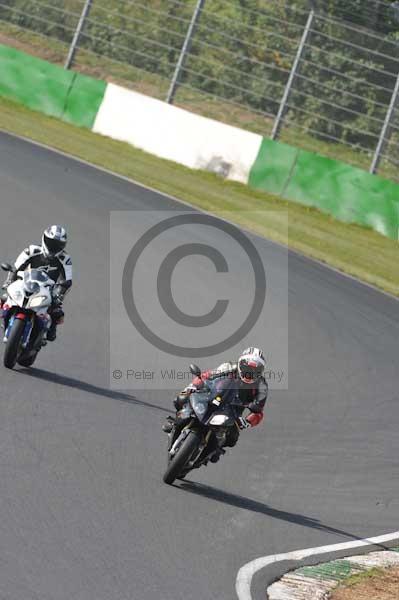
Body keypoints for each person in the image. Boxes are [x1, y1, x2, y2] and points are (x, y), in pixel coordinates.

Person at [163, 347, 268, 461]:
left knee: (232, 438)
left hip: (233, 411)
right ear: (240, 364)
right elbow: (206, 376)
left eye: (254, 371)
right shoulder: (228, 367)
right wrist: (192, 387)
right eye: (247, 368)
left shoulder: (261, 386)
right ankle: (175, 423)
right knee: (180, 399)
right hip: (213, 396)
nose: (249, 374)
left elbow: (259, 412)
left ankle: (214, 450)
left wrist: (247, 422)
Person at [1, 226, 72, 341]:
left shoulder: (65, 259)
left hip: (48, 289)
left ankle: (51, 329)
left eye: (57, 245)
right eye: (51, 242)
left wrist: (59, 295)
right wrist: (9, 281)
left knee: (57, 314)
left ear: (62, 246)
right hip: (27, 282)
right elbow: (16, 268)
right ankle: (5, 318)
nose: (53, 247)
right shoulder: (32, 250)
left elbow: (67, 281)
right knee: (4, 298)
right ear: (44, 239)